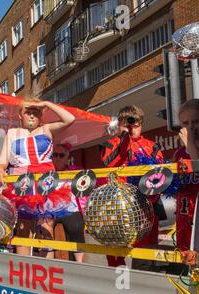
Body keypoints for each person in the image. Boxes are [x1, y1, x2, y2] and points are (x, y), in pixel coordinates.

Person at [0, 99, 75, 256]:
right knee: (24, 229)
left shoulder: (46, 129)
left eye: (36, 112)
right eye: (28, 112)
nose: (32, 116)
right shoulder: (12, 133)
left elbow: (70, 119)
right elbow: (2, 162)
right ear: (20, 115)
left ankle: (47, 270)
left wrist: (46, 104)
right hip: (22, 184)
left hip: (45, 183)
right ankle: (24, 269)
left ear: (41, 115)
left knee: (46, 228)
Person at [100, 105, 164, 267]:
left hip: (146, 205)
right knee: (116, 253)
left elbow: (161, 173)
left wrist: (151, 198)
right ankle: (119, 284)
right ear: (119, 125)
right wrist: (125, 139)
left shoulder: (152, 146)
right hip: (119, 205)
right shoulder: (109, 144)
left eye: (136, 126)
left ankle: (144, 282)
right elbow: (109, 162)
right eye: (127, 125)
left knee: (145, 252)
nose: (132, 129)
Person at [43, 143, 86, 263]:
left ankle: (80, 264)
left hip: (70, 209)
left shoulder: (76, 171)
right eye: (54, 155)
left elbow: (85, 190)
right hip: (50, 209)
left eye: (61, 155)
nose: (57, 158)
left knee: (76, 227)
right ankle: (48, 262)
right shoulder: (46, 172)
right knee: (45, 227)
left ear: (67, 157)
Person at [174, 99, 199, 251]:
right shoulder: (179, 154)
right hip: (184, 220)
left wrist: (191, 145)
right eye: (185, 123)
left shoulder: (189, 148)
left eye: (195, 121)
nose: (190, 127)